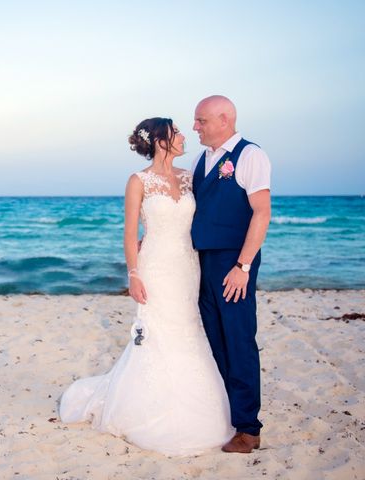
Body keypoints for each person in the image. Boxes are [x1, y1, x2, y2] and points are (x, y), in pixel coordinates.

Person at [58, 117, 235, 456]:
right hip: (154, 266)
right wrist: (134, 273)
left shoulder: (190, 177)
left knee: (188, 329)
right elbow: (128, 233)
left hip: (187, 265)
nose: (184, 136)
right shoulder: (138, 181)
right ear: (160, 140)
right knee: (156, 332)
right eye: (177, 131)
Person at [191, 95, 271, 453]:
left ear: (224, 119)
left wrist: (243, 266)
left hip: (233, 263)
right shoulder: (201, 160)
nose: (195, 127)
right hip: (203, 262)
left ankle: (249, 428)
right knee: (216, 340)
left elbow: (261, 213)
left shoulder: (250, 155)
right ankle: (229, 415)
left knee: (238, 340)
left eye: (201, 120)